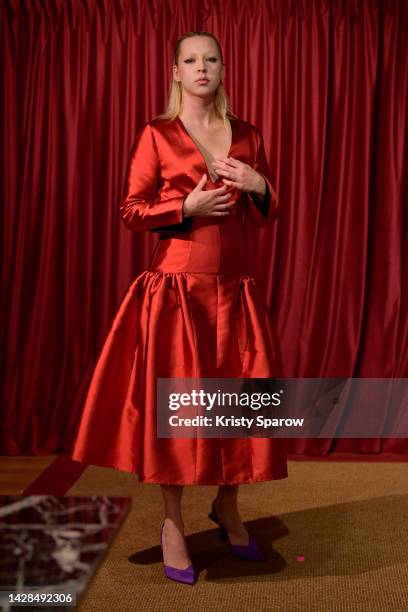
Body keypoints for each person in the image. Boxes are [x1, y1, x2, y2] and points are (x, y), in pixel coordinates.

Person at [70, 30, 288, 585]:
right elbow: (131, 211)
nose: (201, 68)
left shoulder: (247, 134)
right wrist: (184, 205)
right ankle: (172, 524)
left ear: (221, 69)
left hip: (234, 291)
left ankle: (228, 506)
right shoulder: (157, 134)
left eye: (210, 59)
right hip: (177, 294)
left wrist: (261, 184)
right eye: (190, 60)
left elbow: (264, 218)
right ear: (175, 72)